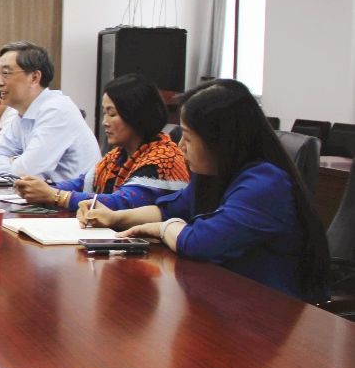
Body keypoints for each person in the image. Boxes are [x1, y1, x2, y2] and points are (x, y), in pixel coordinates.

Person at [82, 79, 329, 301]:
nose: (180, 146)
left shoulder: (265, 184)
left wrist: (163, 228)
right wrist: (116, 217)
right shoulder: (216, 174)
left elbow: (199, 242)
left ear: (220, 140)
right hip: (226, 296)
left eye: (188, 137)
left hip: (269, 310)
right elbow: (172, 207)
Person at [14, 73, 189, 210]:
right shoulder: (117, 156)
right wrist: (39, 188)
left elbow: (123, 203)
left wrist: (55, 195)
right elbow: (81, 183)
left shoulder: (164, 159)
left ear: (136, 114)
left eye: (112, 114)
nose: (105, 122)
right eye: (104, 113)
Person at [0, 41, 101, 182]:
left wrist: (12, 162)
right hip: (42, 193)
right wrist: (14, 164)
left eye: (6, 73)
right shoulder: (22, 113)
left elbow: (28, 171)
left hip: (71, 195)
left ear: (34, 78)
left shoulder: (57, 110)